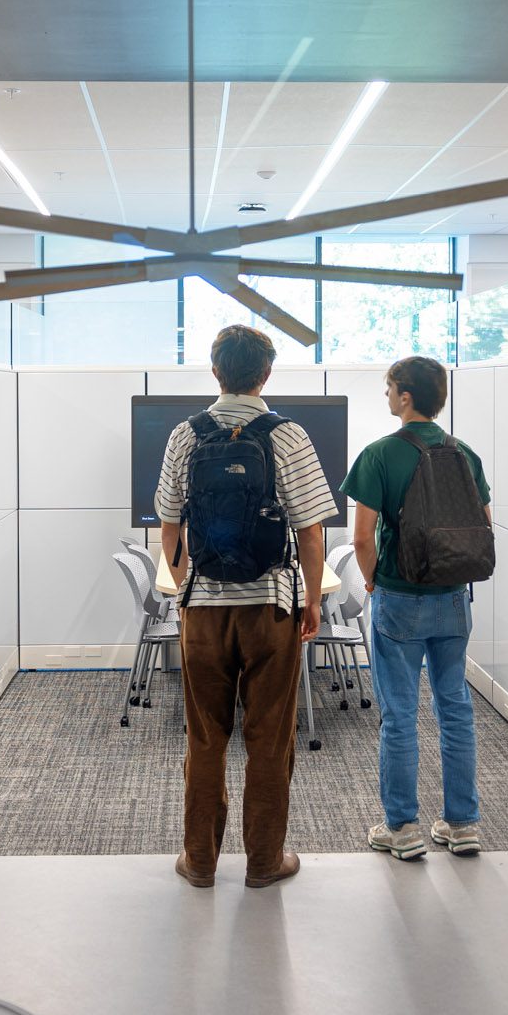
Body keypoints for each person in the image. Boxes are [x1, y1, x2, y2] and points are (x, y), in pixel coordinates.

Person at [156, 325, 336, 888]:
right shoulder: (289, 436)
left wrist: (190, 587)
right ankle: (263, 862)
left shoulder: (186, 434)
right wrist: (309, 600)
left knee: (205, 736)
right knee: (269, 737)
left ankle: (201, 860)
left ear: (215, 372)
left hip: (205, 609)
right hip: (272, 608)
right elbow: (310, 534)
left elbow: (169, 525)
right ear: (266, 374)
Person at [339, 356, 491, 860]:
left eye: (388, 389)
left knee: (399, 715)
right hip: (452, 597)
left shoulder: (380, 454)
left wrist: (374, 581)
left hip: (400, 598)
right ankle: (462, 823)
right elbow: (481, 524)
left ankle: (403, 828)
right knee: (456, 710)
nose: (386, 396)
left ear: (405, 396)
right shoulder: (464, 453)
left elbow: (362, 537)